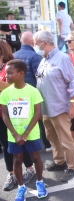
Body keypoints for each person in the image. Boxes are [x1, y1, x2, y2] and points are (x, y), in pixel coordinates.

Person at [33, 30, 74, 182]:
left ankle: (72, 166)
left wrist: (72, 105)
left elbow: (73, 82)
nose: (35, 46)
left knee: (65, 139)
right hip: (46, 108)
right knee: (51, 136)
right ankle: (60, 161)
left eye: (36, 43)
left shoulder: (62, 58)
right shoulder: (44, 59)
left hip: (59, 107)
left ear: (44, 43)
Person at [0, 59, 47, 201]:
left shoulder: (33, 91)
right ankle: (21, 187)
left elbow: (37, 113)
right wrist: (15, 134)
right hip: (13, 134)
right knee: (17, 159)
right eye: (6, 73)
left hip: (31, 133)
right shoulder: (6, 93)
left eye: (9, 73)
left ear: (21, 73)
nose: (6, 75)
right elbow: (4, 114)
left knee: (35, 157)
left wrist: (25, 134)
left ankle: (40, 182)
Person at [0, 40, 36, 191]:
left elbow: (16, 87)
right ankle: (12, 173)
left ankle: (29, 169)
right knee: (6, 144)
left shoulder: (10, 68)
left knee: (20, 143)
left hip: (14, 114)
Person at [13, 31, 52, 153]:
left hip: (17, 93)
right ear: (31, 42)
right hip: (34, 93)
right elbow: (39, 77)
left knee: (21, 118)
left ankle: (22, 141)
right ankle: (46, 144)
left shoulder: (14, 55)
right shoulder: (35, 56)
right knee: (39, 118)